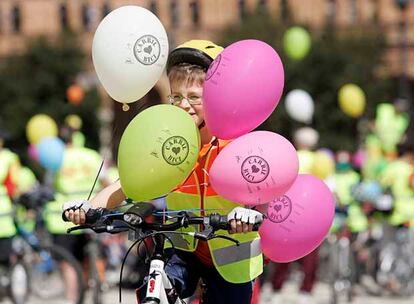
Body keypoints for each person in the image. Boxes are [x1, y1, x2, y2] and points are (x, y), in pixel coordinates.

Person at [63, 40, 264, 304]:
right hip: (182, 250)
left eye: (194, 97)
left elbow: (263, 187)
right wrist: (88, 208)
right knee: (155, 289)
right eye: (176, 97)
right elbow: (127, 184)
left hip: (231, 255)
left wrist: (249, 210)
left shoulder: (237, 144)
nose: (184, 105)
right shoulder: (170, 144)